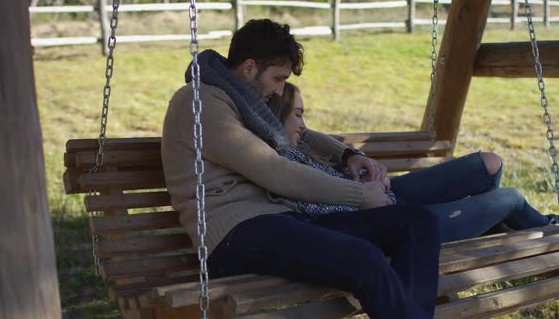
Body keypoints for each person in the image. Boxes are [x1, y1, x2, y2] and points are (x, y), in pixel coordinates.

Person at [162, 19, 441, 318]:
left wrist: (346, 155)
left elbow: (299, 135)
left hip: (283, 220)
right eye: (278, 78)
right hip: (236, 236)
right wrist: (359, 195)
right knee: (364, 259)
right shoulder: (201, 101)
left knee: (417, 221)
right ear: (249, 68)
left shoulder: (244, 98)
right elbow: (274, 171)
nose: (281, 91)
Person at [268, 81, 559, 243]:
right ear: (277, 115)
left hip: (388, 196)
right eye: (298, 115)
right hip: (395, 224)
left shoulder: (293, 144)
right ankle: (557, 230)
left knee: (490, 163)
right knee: (512, 198)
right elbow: (326, 209)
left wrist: (359, 164)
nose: (304, 125)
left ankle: (490, 220)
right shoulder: (275, 162)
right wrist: (365, 193)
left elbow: (322, 154)